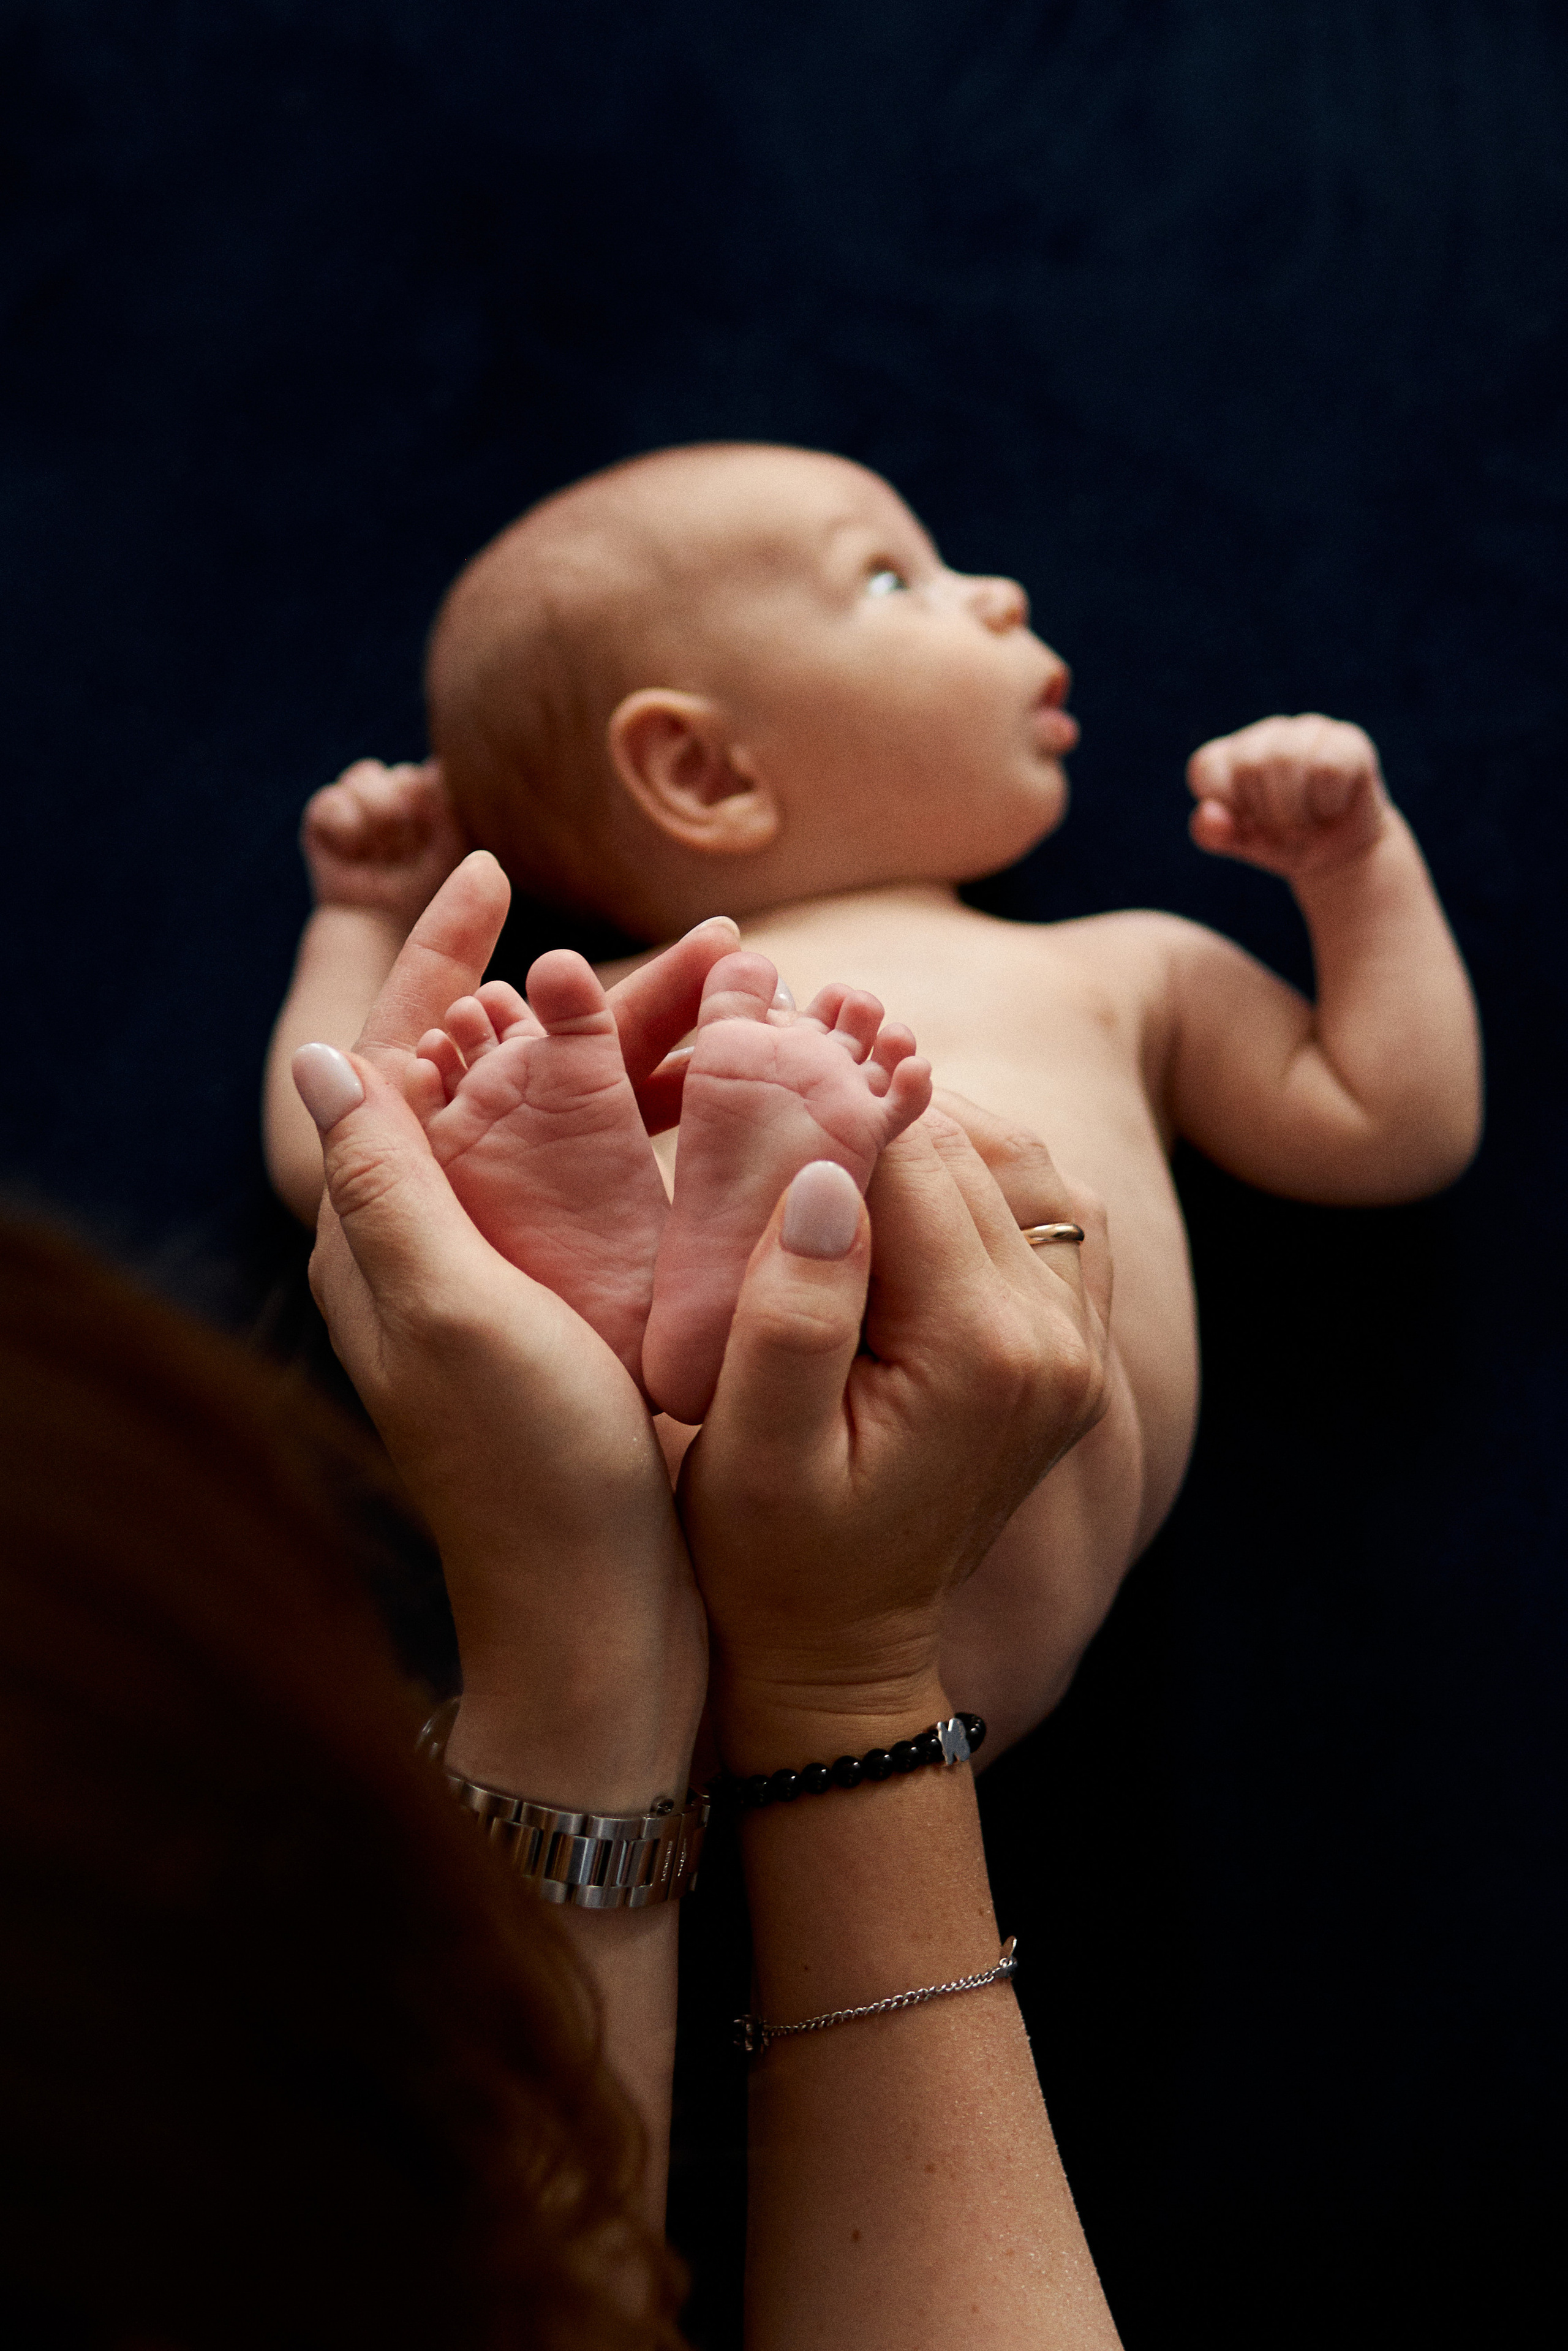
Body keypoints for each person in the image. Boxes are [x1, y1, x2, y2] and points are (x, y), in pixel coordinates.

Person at [1, 861, 1120, 2347]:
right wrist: (845, 1676)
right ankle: (732, 1314)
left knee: (839, 1416)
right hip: (936, 1493)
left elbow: (308, 1126)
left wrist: (578, 1626)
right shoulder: (1128, 955)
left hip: (671, 1509)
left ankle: (659, 1337)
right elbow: (1375, 1114)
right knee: (1064, 1431)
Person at [263, 441, 1483, 1752]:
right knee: (458, 1154)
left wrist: (1355, 870)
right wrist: (1352, 858)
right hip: (856, 1554)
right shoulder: (611, 1030)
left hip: (890, 1537)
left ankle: (678, 1296)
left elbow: (1389, 1124)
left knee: (471, 1149)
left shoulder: (1112, 967)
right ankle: (682, 1296)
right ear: (707, 773)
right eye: (896, 579)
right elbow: (343, 1162)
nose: (1001, 593)